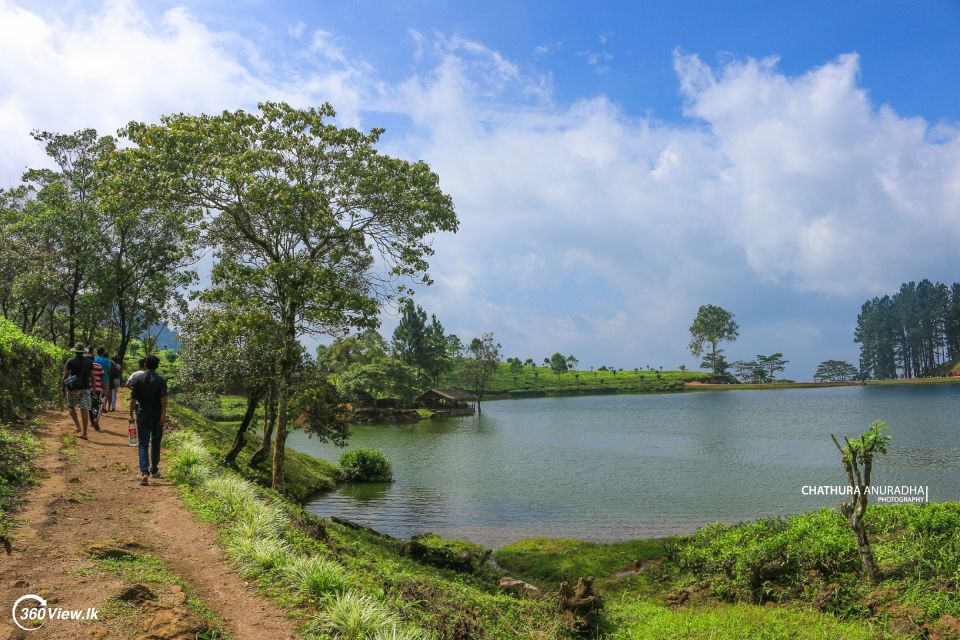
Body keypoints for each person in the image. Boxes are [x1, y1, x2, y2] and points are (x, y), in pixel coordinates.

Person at [129, 354, 167, 486]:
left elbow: (133, 399)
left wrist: (130, 415)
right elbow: (164, 400)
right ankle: (154, 469)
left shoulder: (138, 379)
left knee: (143, 444)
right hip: (157, 416)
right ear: (157, 366)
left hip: (142, 415)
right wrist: (163, 415)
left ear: (145, 364)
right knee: (156, 444)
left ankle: (145, 473)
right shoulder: (161, 380)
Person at [63, 343, 92, 438]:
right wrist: (94, 390)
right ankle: (85, 433)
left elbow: (65, 375)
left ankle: (78, 426)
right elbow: (93, 377)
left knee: (71, 406)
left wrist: (63, 388)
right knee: (84, 409)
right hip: (86, 388)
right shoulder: (88, 362)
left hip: (73, 388)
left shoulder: (70, 361)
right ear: (83, 351)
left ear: (75, 351)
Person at [85, 352, 105, 431]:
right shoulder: (99, 366)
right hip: (98, 388)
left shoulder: (86, 366)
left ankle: (93, 422)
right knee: (96, 405)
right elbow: (102, 378)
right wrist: (103, 388)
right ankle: (95, 419)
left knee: (90, 406)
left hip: (89, 388)